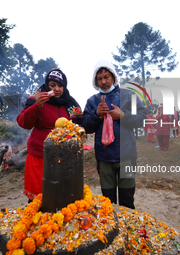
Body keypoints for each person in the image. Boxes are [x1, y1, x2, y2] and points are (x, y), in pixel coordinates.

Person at [82, 59, 146, 209]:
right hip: (104, 158)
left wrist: (123, 116)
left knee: (127, 200)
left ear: (114, 77)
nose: (103, 81)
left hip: (126, 156)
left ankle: (128, 230)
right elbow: (86, 127)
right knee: (108, 202)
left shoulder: (129, 96)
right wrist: (96, 115)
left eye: (106, 77)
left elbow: (142, 119)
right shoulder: (92, 102)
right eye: (99, 79)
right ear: (95, 81)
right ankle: (112, 229)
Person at [17, 69, 83, 202]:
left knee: (62, 196)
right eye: (53, 85)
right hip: (39, 157)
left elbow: (80, 125)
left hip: (64, 157)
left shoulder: (71, 103)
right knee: (38, 199)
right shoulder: (36, 98)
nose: (57, 89)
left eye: (60, 86)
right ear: (47, 85)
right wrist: (37, 106)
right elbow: (24, 123)